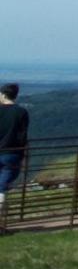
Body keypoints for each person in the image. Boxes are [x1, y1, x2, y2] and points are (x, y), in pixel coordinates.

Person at [0, 83, 29, 220]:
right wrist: (21, 156)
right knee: (2, 187)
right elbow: (22, 136)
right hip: (12, 154)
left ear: (4, 95)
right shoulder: (21, 112)